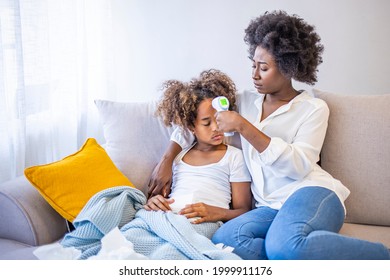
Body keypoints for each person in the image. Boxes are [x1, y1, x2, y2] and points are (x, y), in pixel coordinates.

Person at [148, 10, 390, 259]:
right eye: (253, 65)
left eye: (263, 68)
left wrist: (244, 127)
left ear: (288, 67)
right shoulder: (244, 101)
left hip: (311, 193)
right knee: (225, 240)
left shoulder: (313, 108)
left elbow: (298, 166)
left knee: (283, 246)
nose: (254, 74)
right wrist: (167, 161)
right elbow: (194, 119)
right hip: (268, 206)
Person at [145, 69, 252, 239]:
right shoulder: (179, 157)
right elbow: (162, 197)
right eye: (206, 123)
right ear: (191, 127)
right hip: (168, 218)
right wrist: (153, 202)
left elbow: (244, 211)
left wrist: (217, 213)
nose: (216, 128)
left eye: (219, 119)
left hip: (202, 223)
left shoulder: (234, 157)